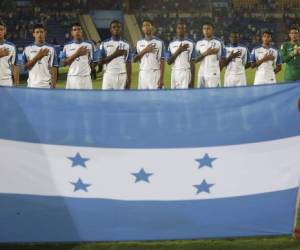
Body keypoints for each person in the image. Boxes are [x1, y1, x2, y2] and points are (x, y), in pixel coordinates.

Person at [61, 23, 98, 89]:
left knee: (86, 99)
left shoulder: (90, 44)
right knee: (71, 99)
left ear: (82, 31)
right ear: (72, 33)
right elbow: (63, 63)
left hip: (85, 78)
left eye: (79, 29)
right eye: (75, 30)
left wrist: (88, 68)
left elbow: (95, 61)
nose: (77, 31)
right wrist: (77, 54)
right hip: (72, 77)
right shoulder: (66, 46)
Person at [23, 23, 58, 88]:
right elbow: (25, 68)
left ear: (45, 33)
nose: (39, 34)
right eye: (37, 32)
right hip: (32, 86)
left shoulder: (51, 49)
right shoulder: (27, 49)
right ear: (33, 34)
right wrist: (38, 57)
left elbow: (54, 69)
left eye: (41, 32)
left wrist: (53, 86)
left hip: (47, 86)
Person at [99, 20, 132, 90]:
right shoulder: (104, 44)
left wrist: (129, 80)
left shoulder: (127, 44)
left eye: (118, 27)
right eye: (114, 27)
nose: (116, 29)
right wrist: (115, 54)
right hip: (108, 76)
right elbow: (100, 62)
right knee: (106, 100)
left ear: (121, 29)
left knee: (121, 100)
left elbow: (128, 62)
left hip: (122, 76)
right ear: (110, 30)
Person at [133, 19, 165, 89]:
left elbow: (162, 61)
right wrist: (145, 50)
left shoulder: (159, 42)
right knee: (143, 98)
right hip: (143, 74)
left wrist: (161, 79)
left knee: (156, 97)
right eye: (144, 26)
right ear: (142, 29)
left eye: (148, 25)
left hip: (155, 73)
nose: (146, 27)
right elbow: (134, 59)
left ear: (152, 27)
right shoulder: (139, 43)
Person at [166, 22, 196, 89]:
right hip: (174, 72)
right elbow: (168, 62)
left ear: (185, 30)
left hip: (185, 73)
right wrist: (179, 50)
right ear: (176, 29)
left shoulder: (191, 44)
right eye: (179, 28)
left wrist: (192, 80)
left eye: (182, 28)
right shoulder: (171, 44)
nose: (180, 30)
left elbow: (192, 63)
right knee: (174, 96)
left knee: (185, 96)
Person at [195, 22, 225, 88]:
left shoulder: (219, 42)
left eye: (208, 29)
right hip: (201, 73)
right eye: (204, 29)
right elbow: (195, 60)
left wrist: (216, 71)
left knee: (214, 95)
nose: (206, 31)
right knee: (200, 94)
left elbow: (223, 59)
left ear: (212, 30)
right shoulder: (199, 43)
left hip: (213, 73)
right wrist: (206, 53)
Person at [0, 21, 19, 86]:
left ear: (5, 31)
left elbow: (15, 67)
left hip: (6, 82)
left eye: (1, 29)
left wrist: (16, 84)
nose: (0, 31)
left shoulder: (11, 47)